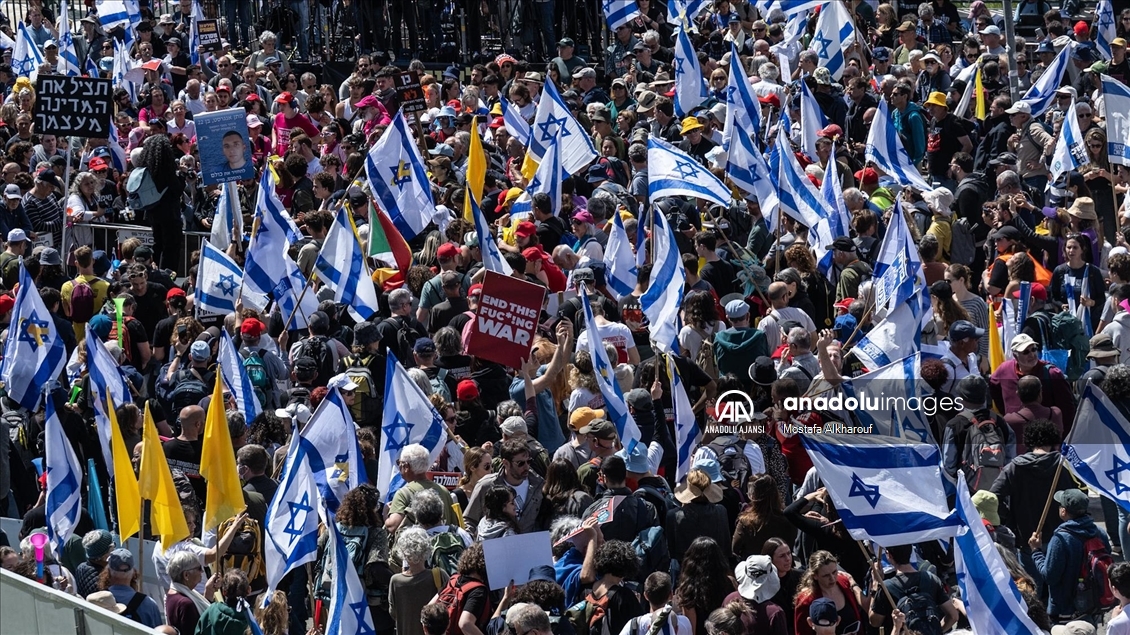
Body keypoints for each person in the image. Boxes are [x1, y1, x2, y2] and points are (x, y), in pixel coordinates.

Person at [1029, 489, 1111, 622]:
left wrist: (1036, 552)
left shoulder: (1061, 539)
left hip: (1065, 611)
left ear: (1063, 511)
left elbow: (1050, 576)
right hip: (1092, 606)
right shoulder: (1099, 533)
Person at [867, 544, 958, 632]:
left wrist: (875, 585)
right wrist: (935, 631)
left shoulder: (886, 587)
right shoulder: (931, 578)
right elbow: (953, 616)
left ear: (889, 555)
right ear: (911, 552)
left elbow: (874, 621)